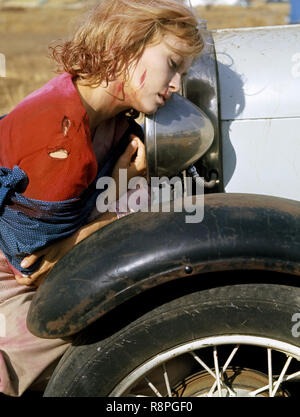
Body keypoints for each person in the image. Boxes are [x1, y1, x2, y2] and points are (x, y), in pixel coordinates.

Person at [0, 0, 203, 396]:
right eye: (173, 64)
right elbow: (35, 265)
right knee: (137, 327)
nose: (176, 84)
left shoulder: (107, 116)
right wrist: (122, 194)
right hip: (11, 288)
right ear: (125, 46)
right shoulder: (60, 140)